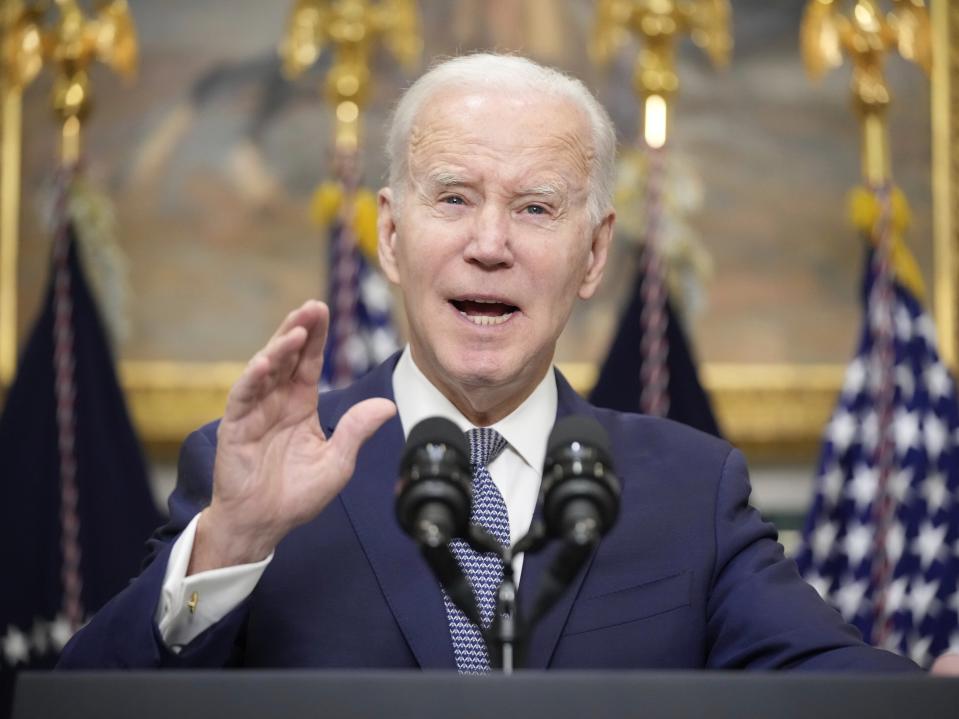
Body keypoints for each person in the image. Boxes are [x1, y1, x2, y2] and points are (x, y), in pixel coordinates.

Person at [59, 53, 923, 672]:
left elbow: (835, 686)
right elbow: (82, 705)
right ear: (391, 236)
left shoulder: (692, 491)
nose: (489, 244)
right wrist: (232, 543)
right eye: (454, 198)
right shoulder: (253, 477)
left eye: (536, 206)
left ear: (592, 255)